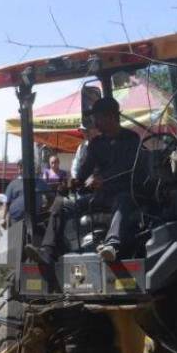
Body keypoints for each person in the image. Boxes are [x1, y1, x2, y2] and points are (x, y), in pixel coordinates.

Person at [45, 96, 144, 264]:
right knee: (61, 203)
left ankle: (112, 245)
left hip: (124, 193)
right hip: (99, 196)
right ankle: (47, 250)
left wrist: (103, 178)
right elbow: (84, 172)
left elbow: (130, 167)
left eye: (97, 117)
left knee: (123, 200)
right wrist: (74, 182)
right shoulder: (96, 143)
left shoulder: (132, 139)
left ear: (111, 117)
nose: (94, 121)